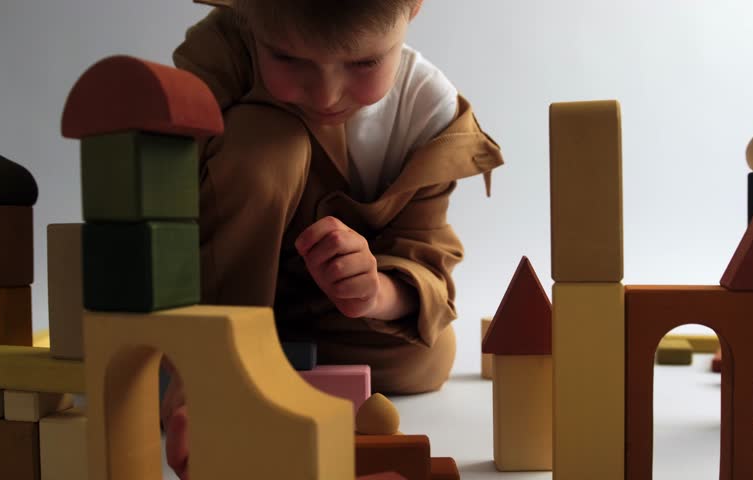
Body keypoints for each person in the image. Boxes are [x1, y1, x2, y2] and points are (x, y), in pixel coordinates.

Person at [161, 0, 504, 477]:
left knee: (429, 354)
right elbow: (161, 177)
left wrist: (374, 290)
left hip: (326, 316)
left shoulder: (425, 112)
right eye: (288, 59)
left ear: (412, 9)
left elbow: (423, 249)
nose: (326, 95)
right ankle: (211, 364)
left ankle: (279, 359)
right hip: (216, 286)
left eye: (363, 62)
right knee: (268, 145)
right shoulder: (223, 52)